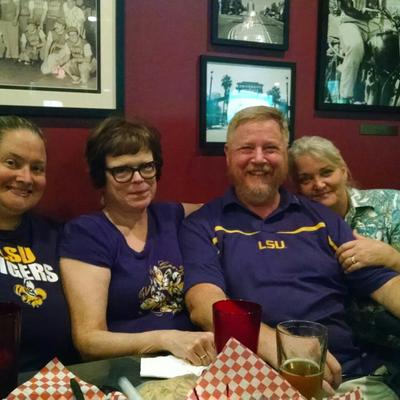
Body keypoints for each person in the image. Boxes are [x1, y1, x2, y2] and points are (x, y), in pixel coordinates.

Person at [180, 105, 400, 399]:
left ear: (284, 155)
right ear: (228, 155)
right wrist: (282, 346)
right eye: (247, 148)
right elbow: (204, 303)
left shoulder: (322, 219)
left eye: (270, 148)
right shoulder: (204, 224)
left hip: (347, 378)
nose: (259, 159)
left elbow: (387, 286)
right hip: (253, 380)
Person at [60, 116, 215, 366]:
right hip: (129, 368)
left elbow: (221, 211)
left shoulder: (170, 216)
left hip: (193, 362)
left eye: (147, 166)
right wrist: (166, 339)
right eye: (122, 170)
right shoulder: (87, 233)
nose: (138, 179)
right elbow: (88, 341)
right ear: (102, 176)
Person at [288, 135, 400, 356]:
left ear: (344, 170)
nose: (319, 184)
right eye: (306, 179)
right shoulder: (296, 228)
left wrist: (391, 257)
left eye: (326, 172)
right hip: (346, 352)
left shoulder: (393, 205)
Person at [0, 116, 78, 371]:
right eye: (12, 163)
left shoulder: (58, 236)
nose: (26, 178)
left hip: (61, 387)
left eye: (37, 168)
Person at [335, 0, 385, 103]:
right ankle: (345, 97)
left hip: (374, 22)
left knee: (390, 44)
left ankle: (384, 95)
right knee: (355, 47)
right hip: (350, 21)